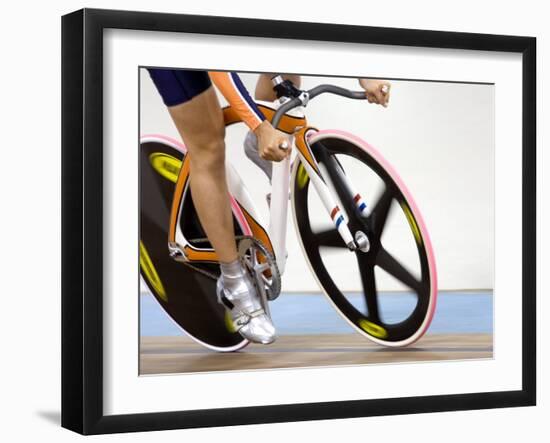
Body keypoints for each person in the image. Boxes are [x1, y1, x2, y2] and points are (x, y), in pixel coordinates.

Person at [147, 69, 390, 345]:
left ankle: (263, 140)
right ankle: (233, 281)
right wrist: (260, 128)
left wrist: (364, 73)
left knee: (287, 63)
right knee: (209, 145)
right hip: (185, 44)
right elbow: (219, 68)